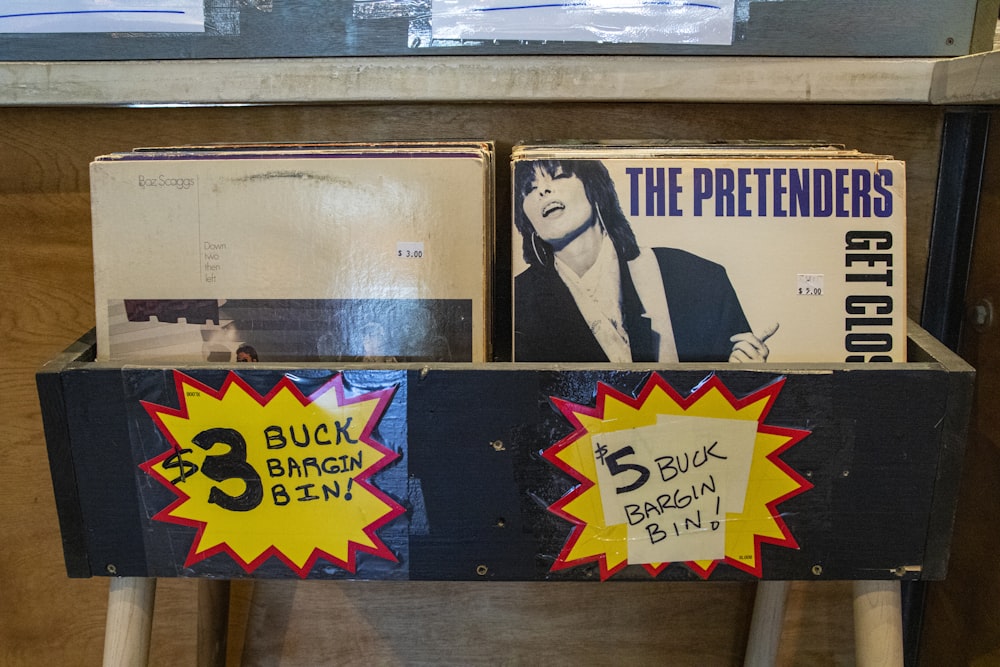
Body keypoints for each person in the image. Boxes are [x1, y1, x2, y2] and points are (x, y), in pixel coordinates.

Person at [513, 158, 775, 363]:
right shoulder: (518, 304)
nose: (543, 191)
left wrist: (743, 372)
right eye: (529, 189)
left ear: (594, 189)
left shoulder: (698, 278)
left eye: (558, 176)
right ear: (527, 222)